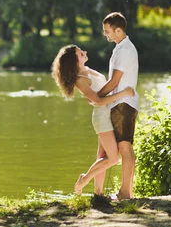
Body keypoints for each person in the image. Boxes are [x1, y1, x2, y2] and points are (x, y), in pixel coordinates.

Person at [51, 44, 135, 196]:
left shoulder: (88, 70)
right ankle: (83, 180)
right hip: (102, 117)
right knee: (113, 158)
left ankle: (98, 194)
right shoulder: (80, 80)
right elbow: (98, 101)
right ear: (74, 61)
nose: (85, 52)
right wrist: (123, 93)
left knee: (102, 157)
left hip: (109, 113)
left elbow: (105, 88)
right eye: (81, 53)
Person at [97, 12, 139, 200]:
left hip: (123, 105)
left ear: (118, 30)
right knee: (123, 147)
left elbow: (114, 82)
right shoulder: (120, 48)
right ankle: (124, 192)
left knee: (124, 147)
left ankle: (125, 192)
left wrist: (98, 97)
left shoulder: (125, 50)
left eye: (108, 31)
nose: (105, 34)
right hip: (120, 104)